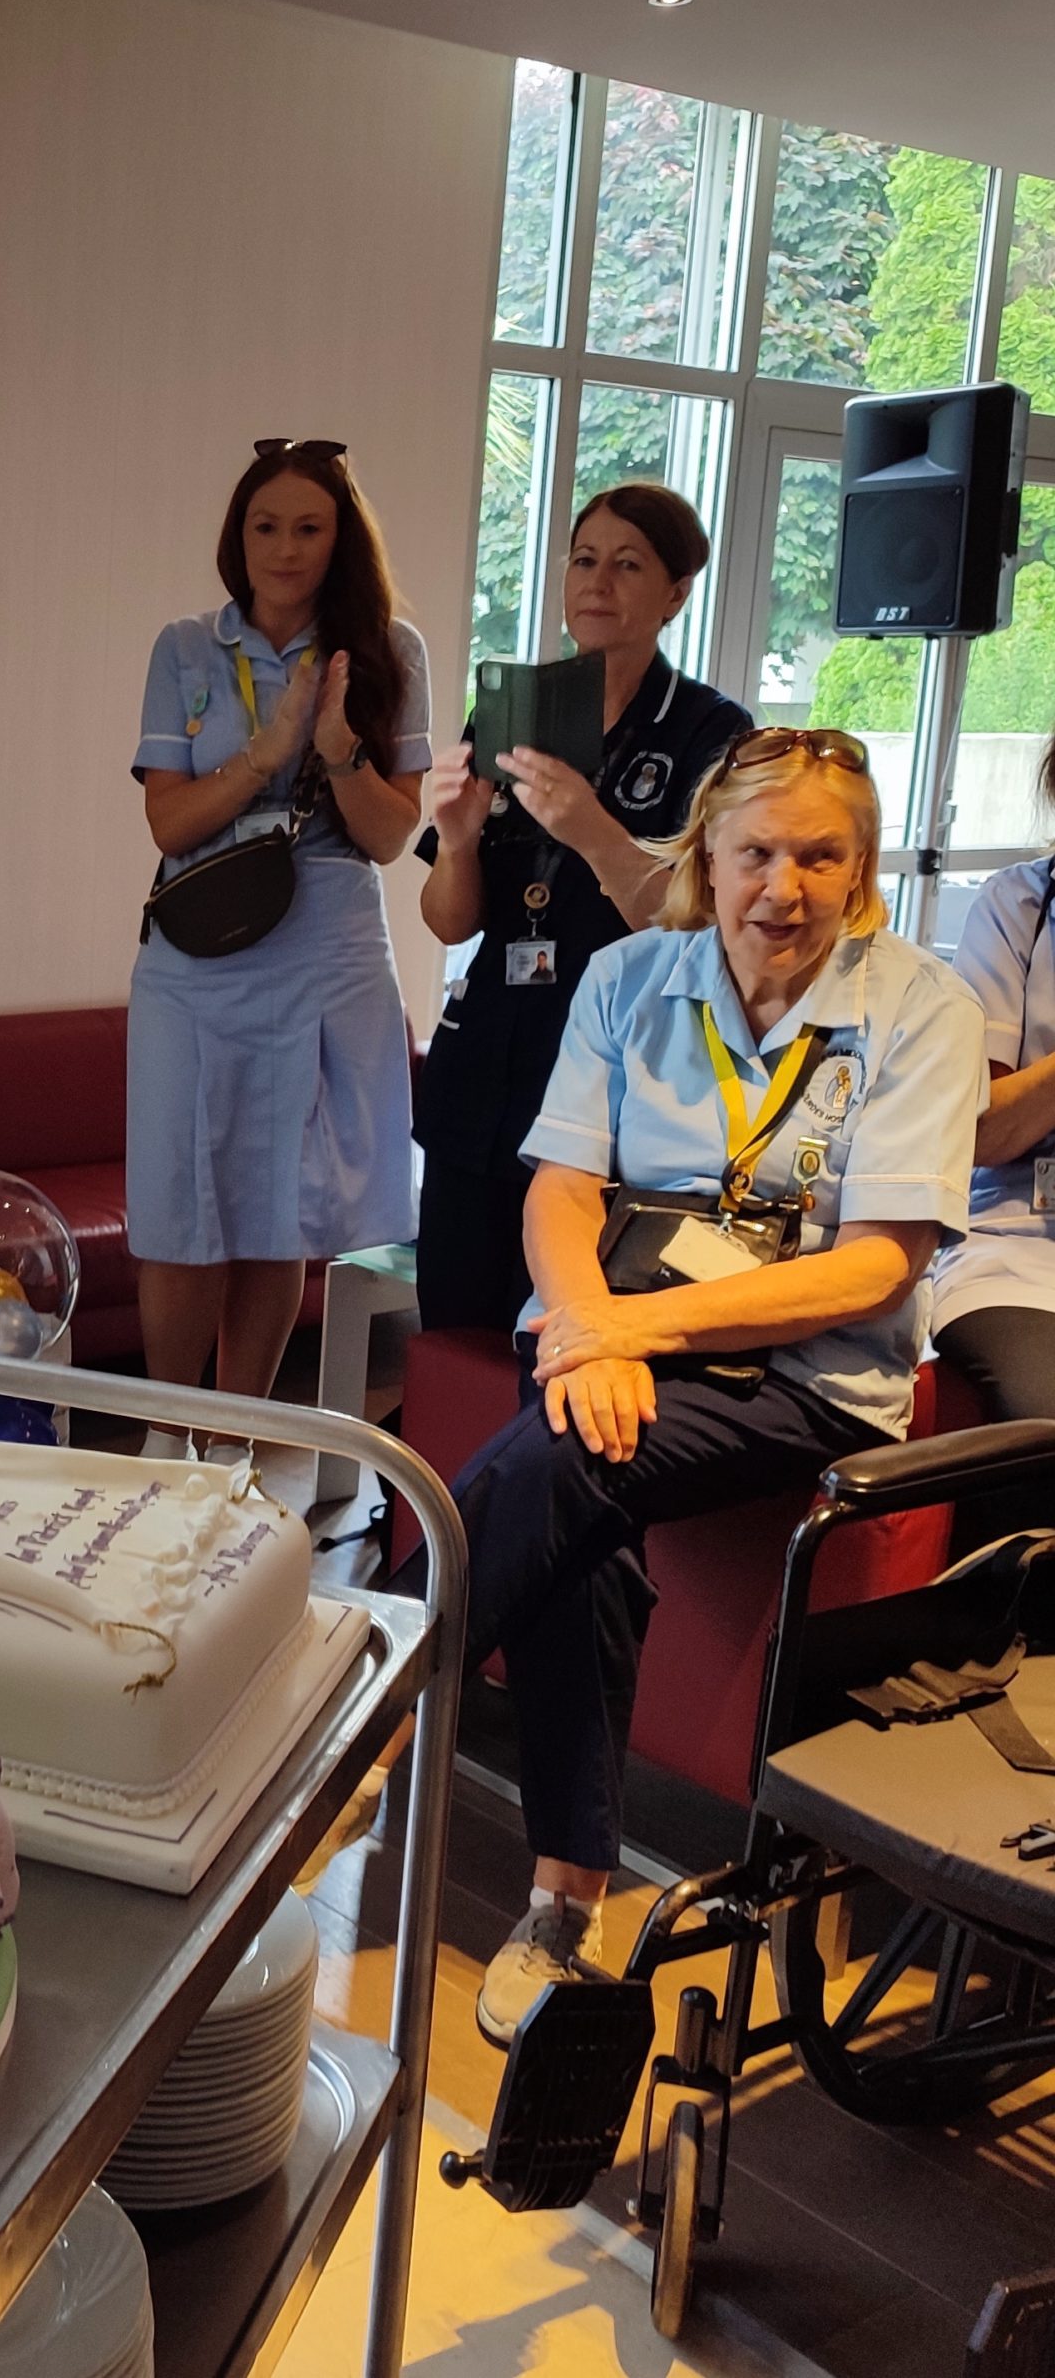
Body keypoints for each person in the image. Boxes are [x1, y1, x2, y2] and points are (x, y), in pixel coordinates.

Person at [449, 729, 985, 2043]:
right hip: (603, 1330)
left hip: (802, 1376)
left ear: (860, 871)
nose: (782, 887)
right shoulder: (632, 975)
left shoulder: (920, 1007)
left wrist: (643, 1330)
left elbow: (875, 1264)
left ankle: (363, 1690)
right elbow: (564, 1188)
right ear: (707, 857)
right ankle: (559, 1908)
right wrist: (589, 1319)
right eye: (755, 852)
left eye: (821, 855)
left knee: (565, 1460)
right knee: (583, 1514)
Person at [127, 439, 431, 1447]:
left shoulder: (390, 650)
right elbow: (169, 825)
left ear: (340, 539)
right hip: (197, 956)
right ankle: (169, 1432)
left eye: (309, 526)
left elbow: (391, 837)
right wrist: (267, 747)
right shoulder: (186, 646)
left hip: (328, 950)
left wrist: (337, 745)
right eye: (266, 525)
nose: (285, 547)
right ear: (237, 535)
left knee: (278, 1200)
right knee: (180, 1199)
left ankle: (235, 1436)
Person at [416, 484, 752, 1334]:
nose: (597, 583)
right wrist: (455, 840)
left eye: (628, 564)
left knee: (559, 1334)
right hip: (488, 1063)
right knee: (453, 1333)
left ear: (676, 594)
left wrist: (594, 832)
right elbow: (451, 922)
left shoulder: (711, 732)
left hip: (615, 1074)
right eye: (584, 559)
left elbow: (696, 929)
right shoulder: (510, 707)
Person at [929, 728, 1055, 1546]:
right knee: (1044, 1403)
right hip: (1018, 1235)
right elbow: (981, 1133)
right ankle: (1005, 1627)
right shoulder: (1020, 904)